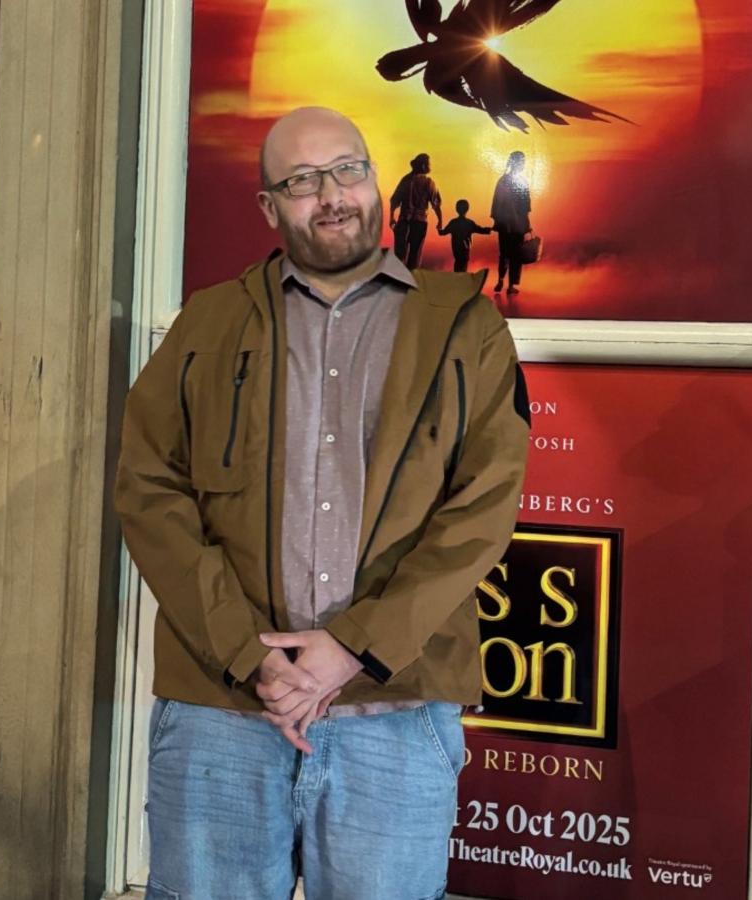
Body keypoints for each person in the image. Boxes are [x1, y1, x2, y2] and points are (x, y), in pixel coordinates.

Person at [114, 106, 531, 900]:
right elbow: (148, 487)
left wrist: (353, 648)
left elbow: (483, 505)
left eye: (346, 169)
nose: (330, 194)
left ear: (374, 180)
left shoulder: (463, 325)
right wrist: (249, 654)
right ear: (270, 208)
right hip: (224, 709)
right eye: (301, 181)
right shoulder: (206, 323)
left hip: (395, 712)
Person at [388, 152, 443, 268]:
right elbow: (436, 204)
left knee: (400, 255)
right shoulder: (429, 183)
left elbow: (394, 200)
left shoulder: (405, 180)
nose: (430, 167)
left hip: (403, 221)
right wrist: (440, 221)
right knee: (415, 256)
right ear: (423, 166)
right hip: (420, 222)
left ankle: (398, 281)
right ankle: (410, 280)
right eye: (429, 164)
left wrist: (391, 217)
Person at [489, 150, 531, 295]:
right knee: (516, 255)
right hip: (517, 225)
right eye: (522, 161)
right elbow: (526, 208)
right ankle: (511, 285)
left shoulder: (503, 180)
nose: (523, 164)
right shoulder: (523, 182)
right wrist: (527, 225)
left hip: (505, 224)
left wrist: (496, 220)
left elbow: (496, 203)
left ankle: (501, 280)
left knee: (504, 254)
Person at [437, 198, 492, 273]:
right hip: (465, 249)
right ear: (467, 209)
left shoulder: (453, 223)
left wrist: (439, 227)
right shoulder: (469, 223)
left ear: (456, 209)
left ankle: (457, 281)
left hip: (456, 249)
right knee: (463, 266)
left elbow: (442, 233)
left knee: (457, 265)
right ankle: (461, 281)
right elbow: (481, 230)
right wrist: (491, 229)